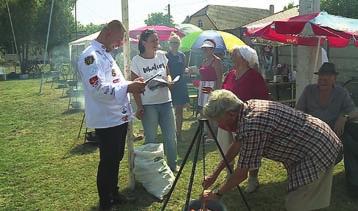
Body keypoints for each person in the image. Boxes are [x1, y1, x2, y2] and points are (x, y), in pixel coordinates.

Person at [202, 90, 342, 211]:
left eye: (219, 119)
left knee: (298, 205)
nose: (219, 124)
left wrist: (217, 194)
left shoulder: (252, 124)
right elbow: (237, 144)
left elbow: (241, 174)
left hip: (317, 148)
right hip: (307, 146)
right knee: (301, 200)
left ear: (231, 114)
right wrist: (214, 174)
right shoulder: (247, 107)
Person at [77, 20, 146, 210]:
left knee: (116, 157)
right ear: (107, 33)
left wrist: (131, 83)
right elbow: (97, 88)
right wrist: (128, 87)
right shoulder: (90, 56)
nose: (119, 44)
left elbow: (115, 80)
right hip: (106, 118)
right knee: (107, 161)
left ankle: (114, 193)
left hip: (117, 116)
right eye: (117, 40)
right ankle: (105, 202)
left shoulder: (105, 54)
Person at [296, 62, 358, 197]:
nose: (322, 81)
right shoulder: (309, 90)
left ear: (334, 79)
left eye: (326, 78)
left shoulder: (341, 92)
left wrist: (344, 117)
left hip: (333, 136)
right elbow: (298, 112)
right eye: (320, 78)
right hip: (311, 134)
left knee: (351, 140)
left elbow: (355, 111)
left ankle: (353, 184)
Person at [218, 45, 269, 193]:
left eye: (235, 53)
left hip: (247, 121)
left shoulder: (255, 77)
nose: (232, 55)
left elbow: (263, 100)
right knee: (225, 147)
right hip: (226, 120)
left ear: (245, 58)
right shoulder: (230, 74)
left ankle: (253, 178)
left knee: (250, 150)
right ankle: (230, 174)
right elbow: (223, 92)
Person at [131, 29, 178, 172]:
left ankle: (172, 164)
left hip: (166, 102)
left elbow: (168, 74)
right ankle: (151, 167)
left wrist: (169, 82)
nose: (157, 43)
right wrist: (139, 106)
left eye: (157, 40)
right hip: (149, 105)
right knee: (151, 138)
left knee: (170, 135)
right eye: (153, 40)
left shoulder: (162, 56)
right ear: (144, 43)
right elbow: (134, 86)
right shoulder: (136, 61)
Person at [197, 39, 223, 141]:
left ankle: (212, 135)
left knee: (211, 111)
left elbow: (219, 78)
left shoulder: (216, 61)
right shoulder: (204, 61)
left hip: (211, 87)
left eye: (207, 49)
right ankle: (207, 131)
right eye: (203, 49)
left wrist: (215, 91)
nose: (204, 51)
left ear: (212, 49)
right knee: (204, 110)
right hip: (203, 86)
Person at [166, 33, 189, 142]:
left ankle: (178, 133)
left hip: (180, 84)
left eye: (176, 42)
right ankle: (171, 133)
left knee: (179, 110)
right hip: (170, 84)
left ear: (179, 44)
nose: (174, 44)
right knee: (169, 111)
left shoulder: (182, 55)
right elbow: (165, 70)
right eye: (172, 42)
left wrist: (187, 71)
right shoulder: (166, 56)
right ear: (169, 44)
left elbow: (183, 68)